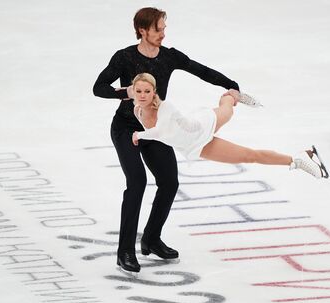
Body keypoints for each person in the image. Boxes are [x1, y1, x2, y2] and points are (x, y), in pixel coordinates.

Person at [92, 7, 240, 274]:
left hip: (157, 129)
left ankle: (151, 238)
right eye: (158, 28)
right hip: (126, 128)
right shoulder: (124, 57)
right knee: (137, 182)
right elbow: (98, 88)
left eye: (164, 27)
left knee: (169, 182)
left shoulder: (169, 57)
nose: (163, 33)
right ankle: (125, 250)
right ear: (142, 30)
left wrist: (231, 85)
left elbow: (201, 70)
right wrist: (124, 92)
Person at [131, 73, 330, 178]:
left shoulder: (166, 107)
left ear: (154, 91)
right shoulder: (137, 111)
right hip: (195, 146)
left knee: (228, 109)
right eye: (138, 91)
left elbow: (160, 131)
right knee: (249, 156)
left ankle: (232, 95)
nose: (142, 95)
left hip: (201, 125)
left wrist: (138, 135)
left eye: (147, 91)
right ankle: (300, 158)